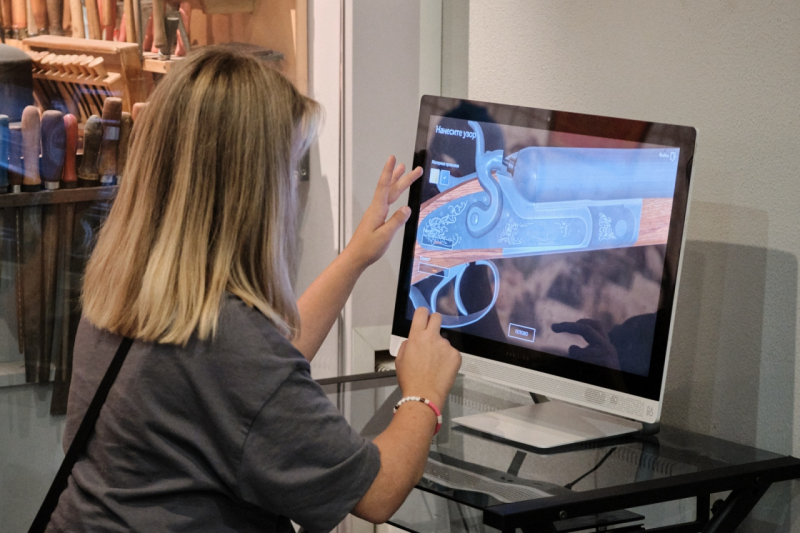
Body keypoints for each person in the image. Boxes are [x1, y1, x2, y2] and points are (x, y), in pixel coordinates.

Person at [47, 45, 461, 532]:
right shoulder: (227, 344)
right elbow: (378, 490)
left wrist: (354, 258)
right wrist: (424, 393)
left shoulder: (126, 292)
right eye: (289, 167)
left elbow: (255, 376)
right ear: (253, 188)